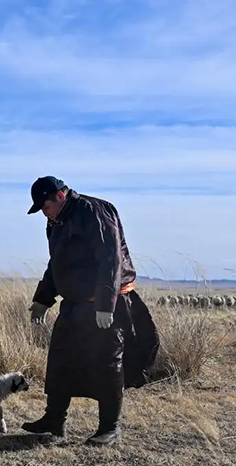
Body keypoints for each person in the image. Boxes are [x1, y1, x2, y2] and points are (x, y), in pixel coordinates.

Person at [21, 175, 155, 446]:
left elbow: (110, 258)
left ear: (59, 196)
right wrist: (43, 299)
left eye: (44, 206)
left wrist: (106, 305)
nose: (43, 213)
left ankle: (110, 428)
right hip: (75, 303)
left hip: (106, 305)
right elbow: (56, 263)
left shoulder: (95, 212)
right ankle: (54, 420)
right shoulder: (56, 221)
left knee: (107, 364)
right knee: (60, 359)